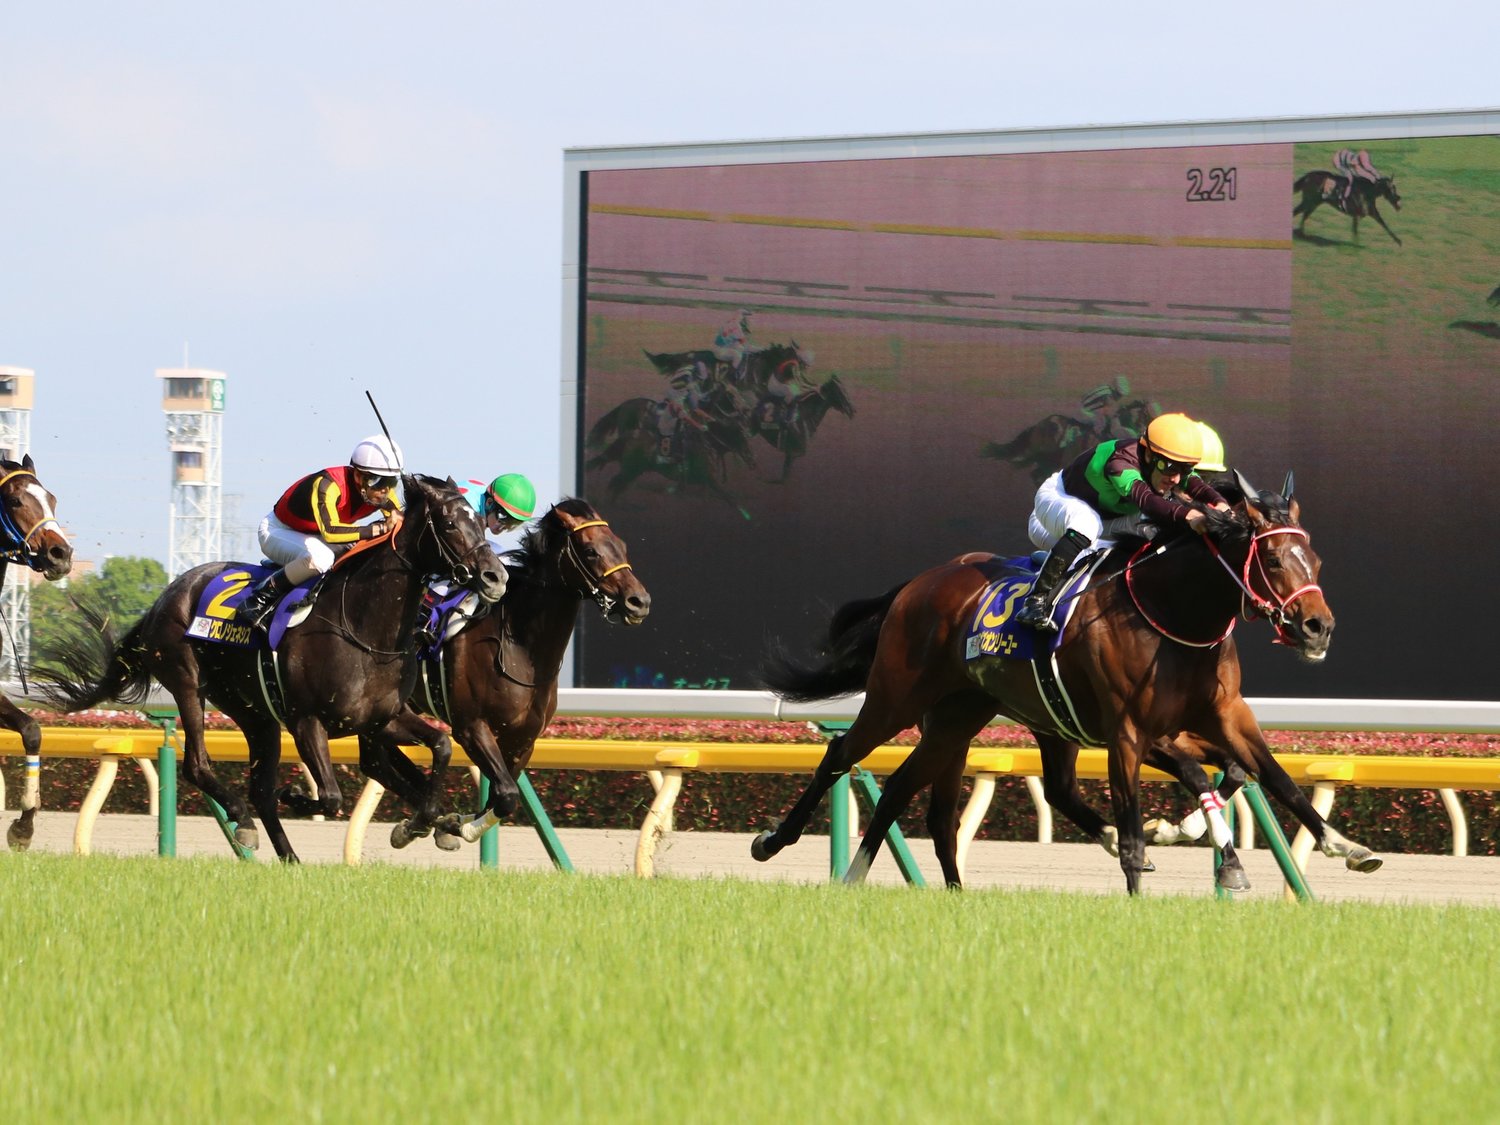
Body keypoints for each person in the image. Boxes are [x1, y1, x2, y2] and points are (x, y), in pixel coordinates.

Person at [1014, 412, 1231, 634]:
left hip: (1102, 523)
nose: (1176, 478)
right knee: (1088, 523)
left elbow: (1197, 486)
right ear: (1148, 455)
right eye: (1170, 469)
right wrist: (1189, 516)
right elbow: (1146, 500)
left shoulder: (1166, 462)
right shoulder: (1120, 462)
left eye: (1184, 470)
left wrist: (1222, 505)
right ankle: (1035, 602)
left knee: (1153, 529)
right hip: (1051, 512)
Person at [236, 434, 404, 628]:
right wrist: (381, 528)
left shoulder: (383, 494)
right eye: (379, 481)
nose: (385, 490)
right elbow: (331, 532)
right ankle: (259, 598)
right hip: (278, 531)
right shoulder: (328, 485)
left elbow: (400, 526)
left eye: (391, 482)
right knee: (321, 559)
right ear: (359, 476)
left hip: (313, 535)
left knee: (361, 551)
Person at [463, 472, 537, 536]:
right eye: (503, 518)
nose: (505, 526)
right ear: (489, 503)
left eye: (512, 523)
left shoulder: (483, 496)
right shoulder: (468, 513)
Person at [712, 308, 752, 382]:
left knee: (739, 349)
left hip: (719, 348)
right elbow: (743, 342)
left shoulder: (729, 323)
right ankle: (730, 376)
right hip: (721, 350)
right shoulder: (736, 326)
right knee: (738, 355)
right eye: (745, 318)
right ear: (741, 317)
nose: (746, 320)